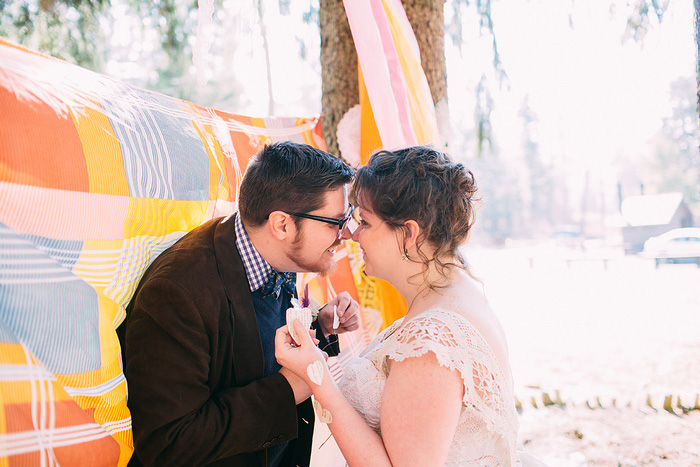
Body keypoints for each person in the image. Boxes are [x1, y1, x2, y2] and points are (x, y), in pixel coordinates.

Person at [276, 146, 528, 466]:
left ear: (408, 233)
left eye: (364, 222)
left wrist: (318, 378)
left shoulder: (432, 340)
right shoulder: (457, 293)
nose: (351, 233)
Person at [118, 141, 360, 467]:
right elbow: (168, 444)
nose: (345, 234)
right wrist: (288, 390)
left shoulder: (271, 249)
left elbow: (263, 336)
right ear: (282, 225)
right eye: (334, 222)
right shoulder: (177, 294)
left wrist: (319, 323)